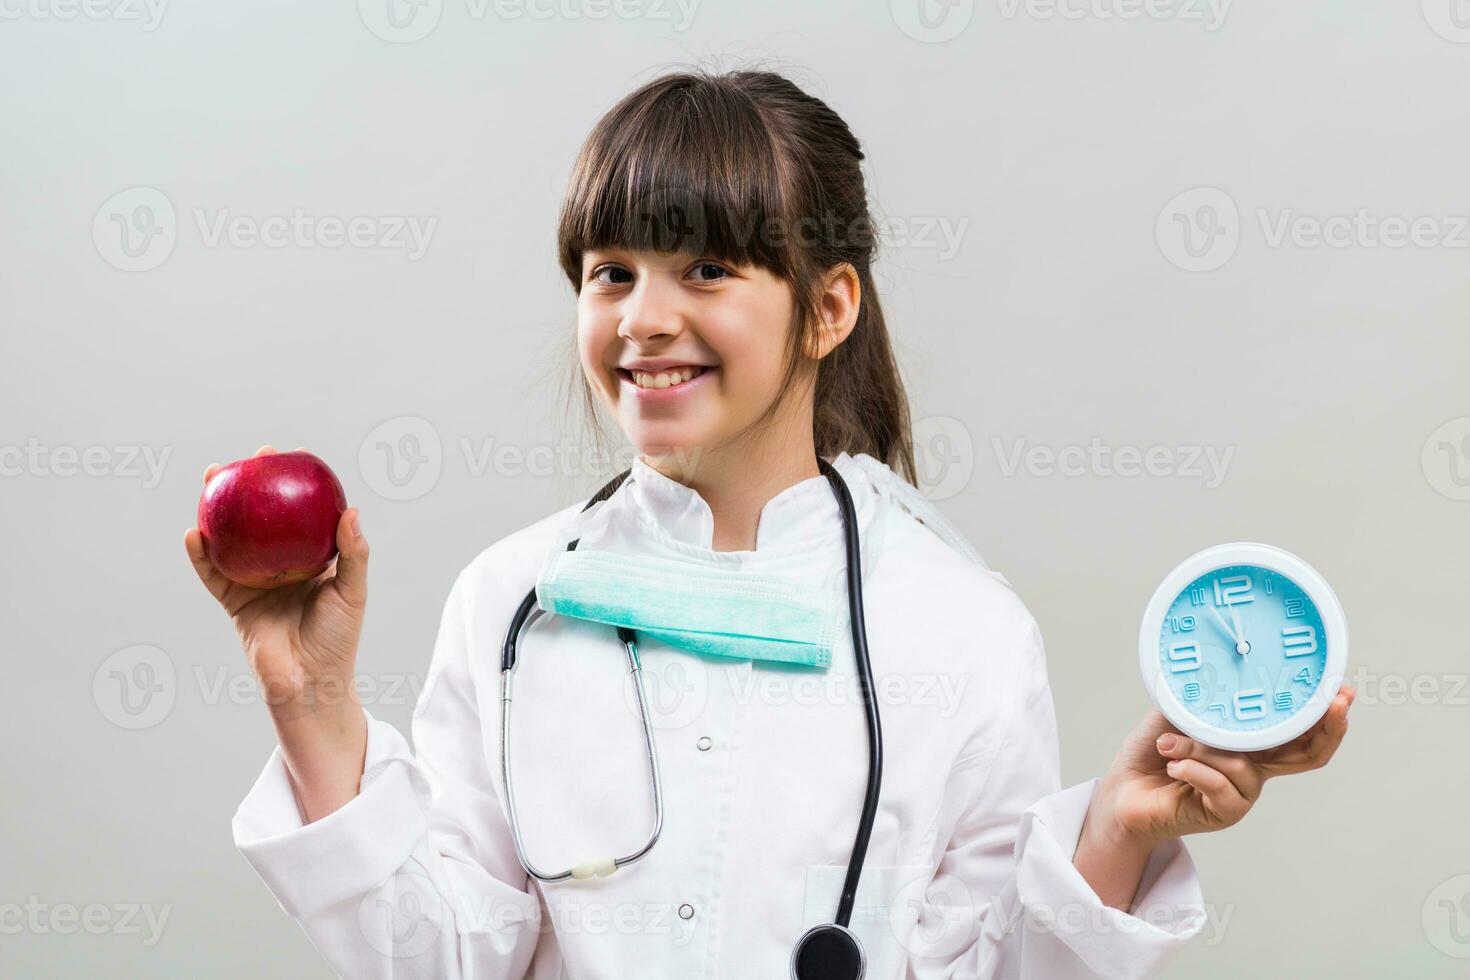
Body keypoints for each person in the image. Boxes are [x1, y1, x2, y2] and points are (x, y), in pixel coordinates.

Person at [184, 69, 1354, 979]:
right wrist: (312, 700)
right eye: (608, 271)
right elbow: (437, 958)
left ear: (827, 305)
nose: (643, 319)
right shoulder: (516, 600)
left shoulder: (959, 629)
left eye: (704, 268)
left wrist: (1117, 828)